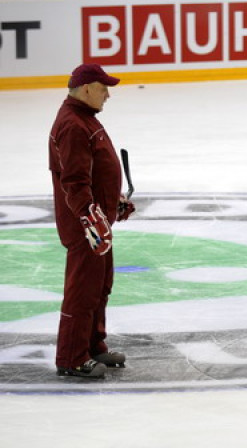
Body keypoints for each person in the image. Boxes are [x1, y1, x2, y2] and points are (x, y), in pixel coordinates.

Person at [48, 63, 135, 378]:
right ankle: (71, 358)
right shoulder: (73, 125)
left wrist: (115, 204)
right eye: (103, 88)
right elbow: (74, 182)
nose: (107, 95)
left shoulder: (84, 119)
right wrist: (88, 217)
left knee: (100, 287)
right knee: (83, 290)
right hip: (85, 229)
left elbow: (95, 174)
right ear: (86, 88)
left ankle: (93, 346)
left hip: (97, 224)